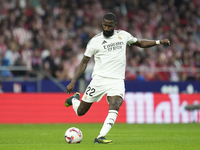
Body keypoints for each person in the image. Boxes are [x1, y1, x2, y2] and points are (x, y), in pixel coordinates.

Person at [65, 12, 170, 144]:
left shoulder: (123, 35)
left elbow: (141, 43)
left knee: (115, 103)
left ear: (115, 25)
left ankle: (100, 137)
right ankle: (74, 99)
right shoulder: (95, 41)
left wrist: (159, 42)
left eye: (109, 26)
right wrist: (73, 81)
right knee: (80, 112)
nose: (106, 28)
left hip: (117, 80)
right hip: (99, 80)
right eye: (104, 25)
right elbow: (84, 62)